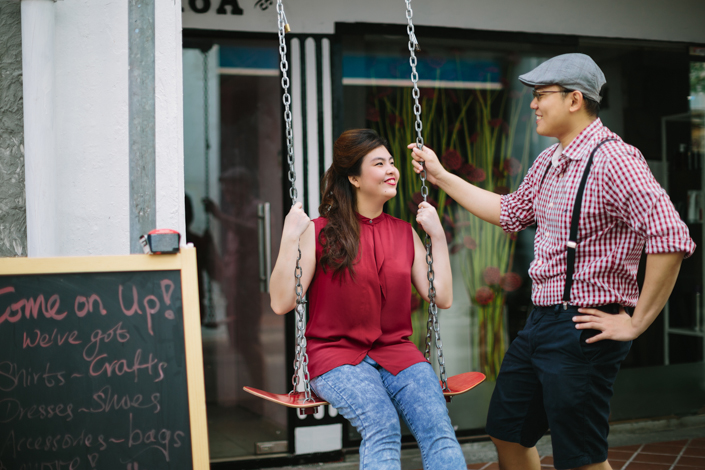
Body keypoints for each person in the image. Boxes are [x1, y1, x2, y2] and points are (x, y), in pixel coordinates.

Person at [409, 53, 696, 470]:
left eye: (541, 94)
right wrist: (439, 176)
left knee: (579, 456)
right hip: (540, 322)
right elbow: (510, 212)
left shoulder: (614, 159)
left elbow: (670, 237)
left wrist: (636, 322)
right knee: (506, 429)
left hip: (583, 327)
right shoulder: (548, 161)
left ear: (575, 99)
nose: (533, 103)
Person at [270, 129, 466, 470]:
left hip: (397, 352)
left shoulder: (405, 233)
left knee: (439, 429)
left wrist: (437, 236)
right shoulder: (319, 231)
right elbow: (281, 302)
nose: (391, 169)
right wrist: (289, 238)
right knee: (382, 426)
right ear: (354, 178)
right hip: (336, 356)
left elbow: (442, 297)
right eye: (379, 163)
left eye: (391, 162)